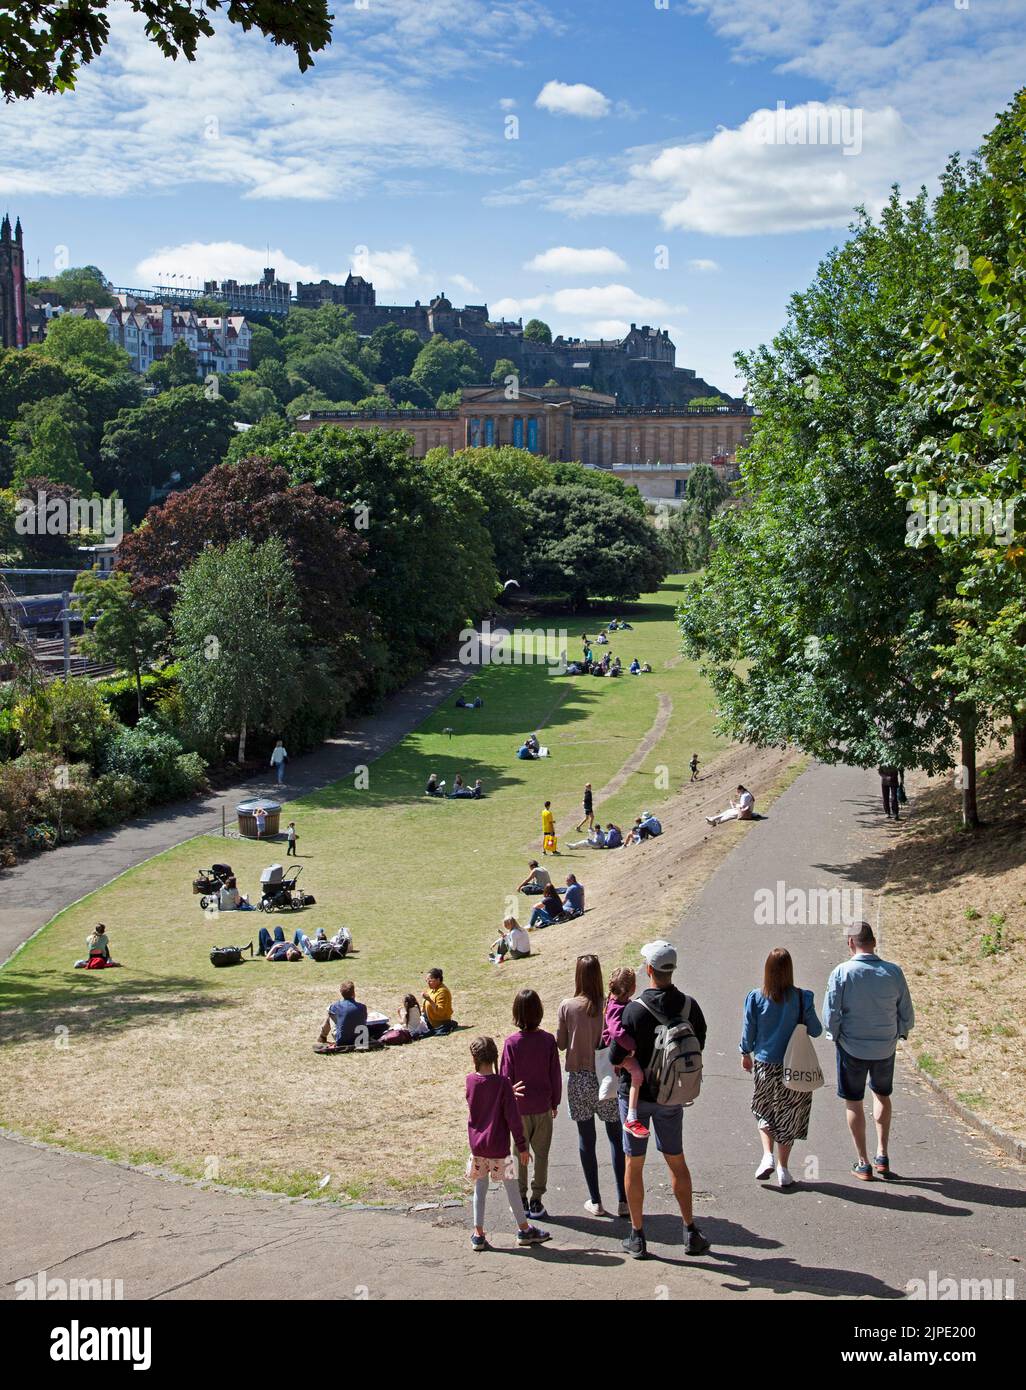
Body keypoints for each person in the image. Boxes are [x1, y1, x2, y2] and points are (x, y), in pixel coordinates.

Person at [610, 940, 711, 1260]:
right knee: (676, 1161)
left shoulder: (634, 1010)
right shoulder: (689, 1006)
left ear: (650, 970)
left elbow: (616, 1054)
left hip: (637, 1100)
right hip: (672, 1097)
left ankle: (638, 1235)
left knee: (633, 1164)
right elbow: (699, 1043)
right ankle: (690, 1230)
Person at [823, 922, 915, 1181]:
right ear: (873, 941)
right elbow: (905, 1011)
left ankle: (863, 1162)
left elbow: (831, 1012)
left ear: (851, 943)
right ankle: (882, 1154)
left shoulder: (842, 972)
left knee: (853, 1101)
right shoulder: (894, 972)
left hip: (852, 1046)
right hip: (885, 1046)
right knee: (882, 1095)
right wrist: (900, 1032)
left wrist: (835, 1035)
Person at [740, 948, 823, 1187]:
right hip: (794, 1066)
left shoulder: (755, 997)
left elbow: (749, 1032)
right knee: (789, 1114)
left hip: (766, 1063)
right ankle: (783, 1169)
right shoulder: (802, 997)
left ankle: (767, 1155)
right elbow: (816, 1030)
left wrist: (745, 1053)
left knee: (764, 1109)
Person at [556, 955, 628, 1220]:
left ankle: (595, 1199)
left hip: (579, 1078)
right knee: (616, 1137)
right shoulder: (608, 1005)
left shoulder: (568, 1006)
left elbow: (561, 1043)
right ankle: (623, 1198)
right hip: (606, 1076)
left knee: (587, 1138)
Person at [466, 1035, 551, 1251]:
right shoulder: (503, 1083)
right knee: (512, 1188)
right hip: (498, 1148)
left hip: (478, 1147)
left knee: (480, 1189)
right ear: (495, 1057)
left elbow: (482, 1100)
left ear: (474, 1057)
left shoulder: (470, 1081)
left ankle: (478, 1233)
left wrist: (503, 1093)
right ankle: (524, 1228)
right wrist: (522, 1146)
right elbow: (513, 1119)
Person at [501, 989, 562, 1220]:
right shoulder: (548, 1041)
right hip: (543, 1106)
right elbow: (554, 1074)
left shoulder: (511, 1044)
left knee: (518, 1153)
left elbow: (506, 1077)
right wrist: (555, 1101)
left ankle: (520, 1196)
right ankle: (537, 1198)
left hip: (519, 1109)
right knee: (542, 1154)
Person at [604, 967, 648, 1139]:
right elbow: (616, 1032)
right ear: (631, 988)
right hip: (620, 1050)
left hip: (621, 1051)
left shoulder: (618, 1002)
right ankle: (631, 1116)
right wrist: (632, 1046)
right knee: (637, 1074)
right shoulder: (616, 1007)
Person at [317, 980, 368, 1049]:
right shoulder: (363, 1007)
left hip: (342, 1041)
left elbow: (329, 1009)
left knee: (330, 1014)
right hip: (361, 1039)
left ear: (341, 993)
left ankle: (322, 1037)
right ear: (354, 993)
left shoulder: (337, 1006)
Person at [422, 967, 456, 1035]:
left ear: (438, 979)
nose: (428, 983)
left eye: (430, 980)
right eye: (427, 980)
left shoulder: (443, 992)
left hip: (439, 1023)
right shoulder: (431, 989)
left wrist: (429, 1000)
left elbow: (440, 1011)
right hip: (428, 1019)